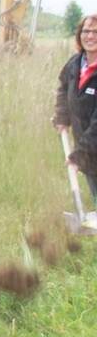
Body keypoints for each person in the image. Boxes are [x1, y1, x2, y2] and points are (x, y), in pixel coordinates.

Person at [53, 13, 97, 201]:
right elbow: (64, 87)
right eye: (86, 31)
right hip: (89, 154)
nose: (90, 36)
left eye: (96, 32)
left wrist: (80, 152)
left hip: (89, 146)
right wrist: (62, 116)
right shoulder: (75, 64)